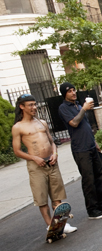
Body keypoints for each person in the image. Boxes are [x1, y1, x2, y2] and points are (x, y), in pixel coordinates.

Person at [11, 94, 77, 233]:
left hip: (51, 162)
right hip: (36, 166)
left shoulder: (42, 122)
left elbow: (52, 142)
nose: (34, 107)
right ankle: (50, 226)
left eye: (34, 104)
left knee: (57, 195)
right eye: (30, 105)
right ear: (22, 107)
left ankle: (61, 224)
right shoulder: (18, 127)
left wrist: (55, 153)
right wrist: (34, 158)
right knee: (41, 198)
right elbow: (17, 151)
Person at [58, 83, 102, 220]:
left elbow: (86, 125)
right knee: (88, 179)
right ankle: (92, 210)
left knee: (99, 175)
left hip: (90, 146)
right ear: (64, 94)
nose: (73, 93)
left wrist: (94, 142)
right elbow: (74, 123)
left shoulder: (78, 105)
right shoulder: (63, 108)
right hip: (80, 149)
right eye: (69, 91)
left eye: (74, 90)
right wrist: (83, 109)